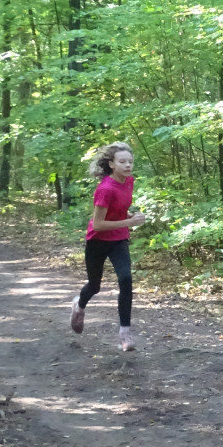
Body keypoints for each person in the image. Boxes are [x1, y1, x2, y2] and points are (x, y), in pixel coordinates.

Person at [70, 142, 146, 351]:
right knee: (94, 286)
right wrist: (129, 222)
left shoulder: (129, 181)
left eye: (130, 161)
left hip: (118, 240)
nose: (128, 165)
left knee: (126, 279)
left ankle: (125, 333)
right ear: (112, 164)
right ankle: (79, 304)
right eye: (122, 162)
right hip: (97, 241)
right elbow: (99, 224)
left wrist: (130, 216)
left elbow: (119, 210)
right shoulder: (105, 189)